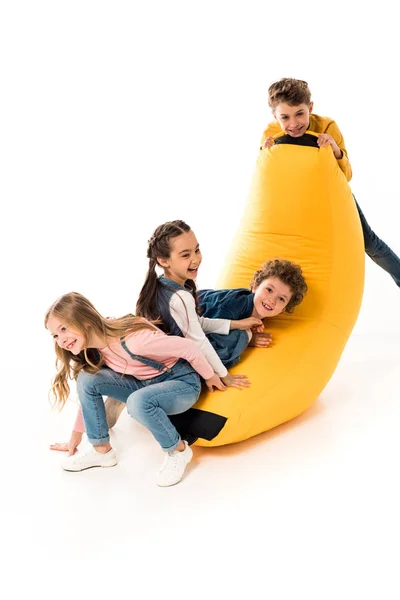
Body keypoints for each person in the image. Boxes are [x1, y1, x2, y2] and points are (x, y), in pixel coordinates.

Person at [46, 292, 230, 487]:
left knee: (137, 402)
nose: (61, 340)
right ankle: (102, 451)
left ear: (85, 320)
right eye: (56, 335)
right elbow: (88, 394)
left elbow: (188, 348)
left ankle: (179, 450)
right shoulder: (95, 347)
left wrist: (210, 376)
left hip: (180, 382)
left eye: (64, 329)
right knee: (87, 378)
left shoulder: (136, 341)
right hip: (144, 384)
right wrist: (74, 438)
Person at [261, 78, 400, 288]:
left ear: (310, 107)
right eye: (285, 117)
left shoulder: (326, 126)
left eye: (300, 113)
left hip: (333, 196)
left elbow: (347, 174)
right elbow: (267, 179)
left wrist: (334, 149)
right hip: (299, 202)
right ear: (275, 116)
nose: (293, 124)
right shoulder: (271, 134)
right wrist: (264, 153)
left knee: (370, 243)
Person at [198, 259, 307, 339]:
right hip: (192, 311)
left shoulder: (257, 315)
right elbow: (204, 329)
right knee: (239, 338)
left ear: (283, 309)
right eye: (269, 290)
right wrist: (249, 339)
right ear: (255, 287)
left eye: (281, 299)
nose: (272, 300)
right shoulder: (233, 304)